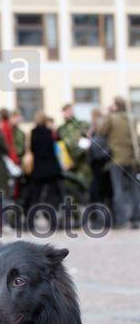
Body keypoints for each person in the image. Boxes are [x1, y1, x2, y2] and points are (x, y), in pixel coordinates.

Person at [98, 97, 140, 229]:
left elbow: (101, 131)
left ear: (115, 106)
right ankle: (136, 219)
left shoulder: (112, 118)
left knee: (118, 190)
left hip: (116, 160)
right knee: (135, 190)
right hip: (132, 159)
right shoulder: (132, 118)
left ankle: (121, 220)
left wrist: (107, 114)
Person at [23, 111, 64, 228]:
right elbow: (53, 149)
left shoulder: (32, 133)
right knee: (51, 196)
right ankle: (53, 221)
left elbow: (30, 149)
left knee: (35, 196)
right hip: (50, 169)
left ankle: (30, 222)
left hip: (37, 169)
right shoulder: (50, 132)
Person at [57, 103, 91, 189]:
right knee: (71, 188)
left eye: (67, 111)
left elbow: (87, 141)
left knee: (85, 186)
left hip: (82, 162)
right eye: (64, 112)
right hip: (68, 164)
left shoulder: (82, 124)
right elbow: (60, 147)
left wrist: (77, 157)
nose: (65, 114)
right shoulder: (61, 129)